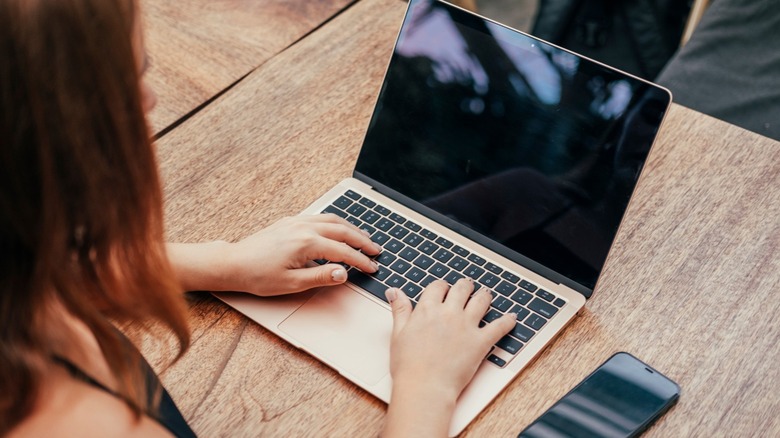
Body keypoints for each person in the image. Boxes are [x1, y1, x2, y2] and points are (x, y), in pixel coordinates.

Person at [0, 0, 516, 436]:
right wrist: (427, 387)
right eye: (132, 78)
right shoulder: (76, 420)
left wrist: (223, 263)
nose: (150, 100)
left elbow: (50, 265)